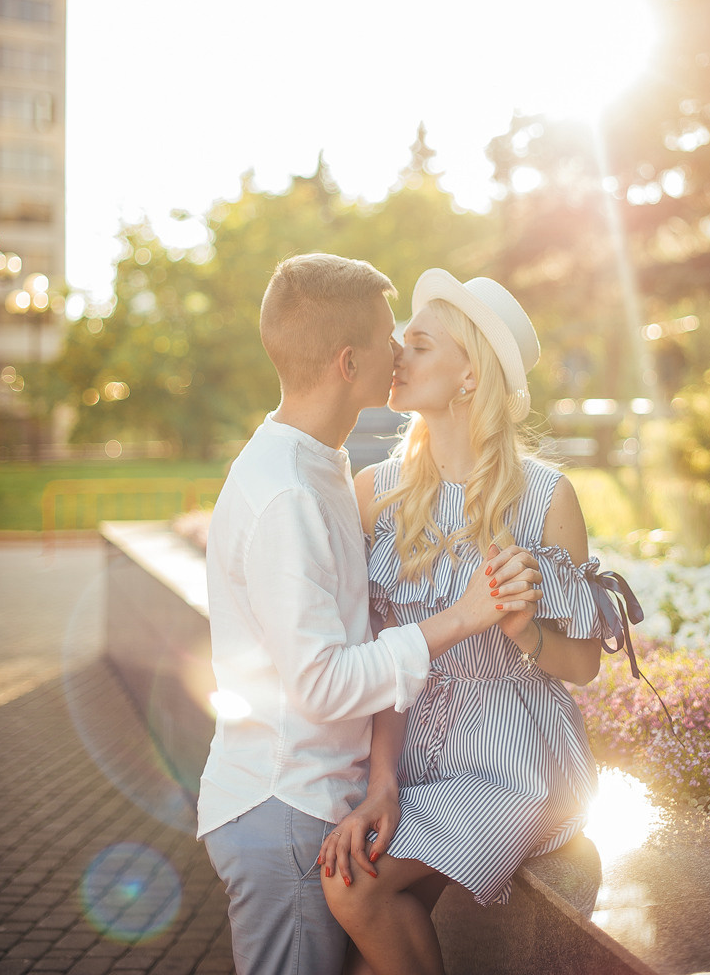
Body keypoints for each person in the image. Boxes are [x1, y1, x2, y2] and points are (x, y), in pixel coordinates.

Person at [196, 254, 541, 975]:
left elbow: (363, 628)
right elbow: (321, 683)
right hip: (287, 805)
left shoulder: (322, 465)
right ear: (349, 363)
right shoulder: (287, 494)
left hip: (323, 800)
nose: (400, 348)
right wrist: (461, 617)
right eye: (392, 335)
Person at [320, 268, 607, 975]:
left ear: (469, 375)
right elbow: (376, 652)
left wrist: (525, 632)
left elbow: (584, 666)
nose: (396, 354)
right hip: (405, 746)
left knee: (352, 886)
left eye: (418, 344)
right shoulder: (374, 492)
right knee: (374, 909)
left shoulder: (545, 496)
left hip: (514, 763)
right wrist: (383, 780)